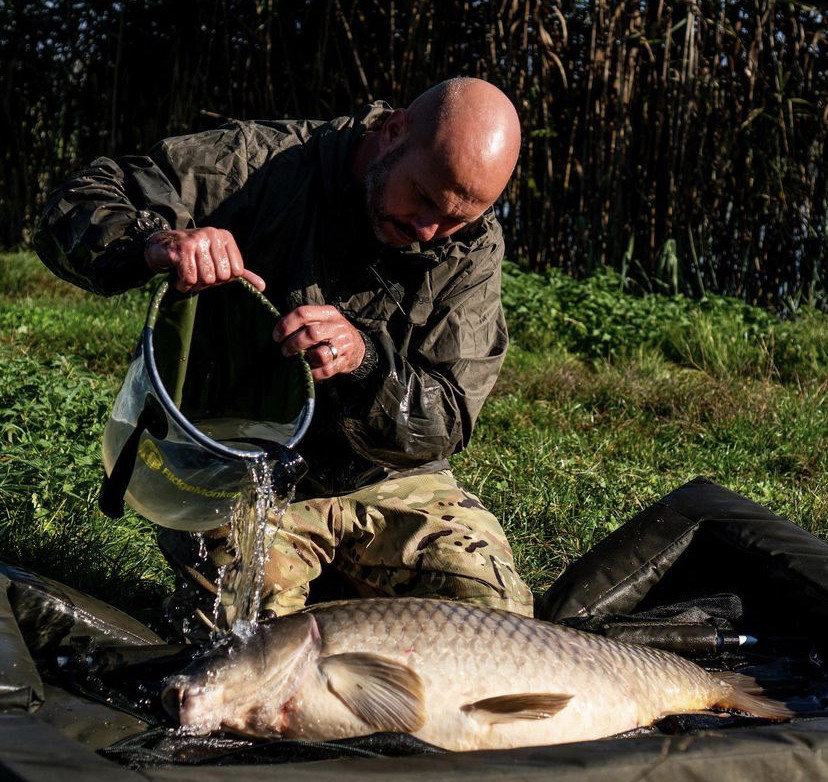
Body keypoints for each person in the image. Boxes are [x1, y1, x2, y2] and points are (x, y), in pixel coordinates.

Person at [34, 76, 534, 633]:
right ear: (393, 131)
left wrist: (368, 362)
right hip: (242, 474)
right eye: (422, 197)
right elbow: (73, 205)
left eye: (455, 218)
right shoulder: (256, 164)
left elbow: (447, 418)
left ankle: (346, 591)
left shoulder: (470, 246)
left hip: (386, 480)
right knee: (252, 646)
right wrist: (155, 242)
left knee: (494, 621)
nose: (427, 230)